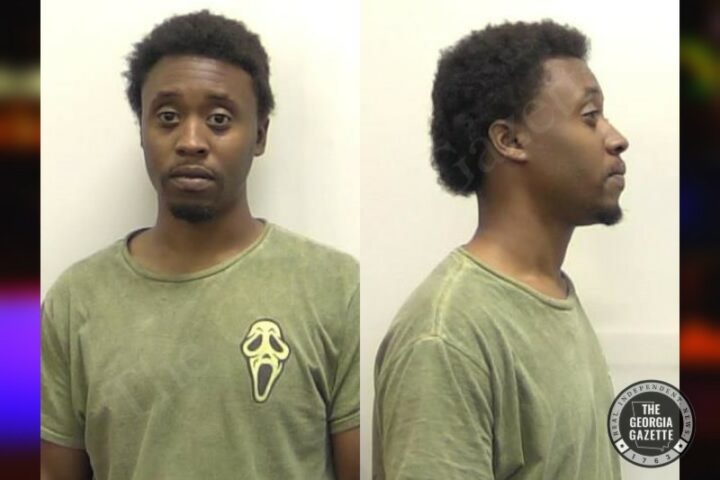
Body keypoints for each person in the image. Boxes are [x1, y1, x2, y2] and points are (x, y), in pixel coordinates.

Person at [41, 11, 359, 480]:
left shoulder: (338, 288)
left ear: (260, 134)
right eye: (168, 117)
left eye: (219, 119)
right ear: (143, 130)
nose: (191, 141)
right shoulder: (72, 301)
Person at [373, 20, 628, 479]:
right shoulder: (447, 336)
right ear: (509, 141)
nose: (616, 138)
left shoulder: (552, 294)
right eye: (590, 116)